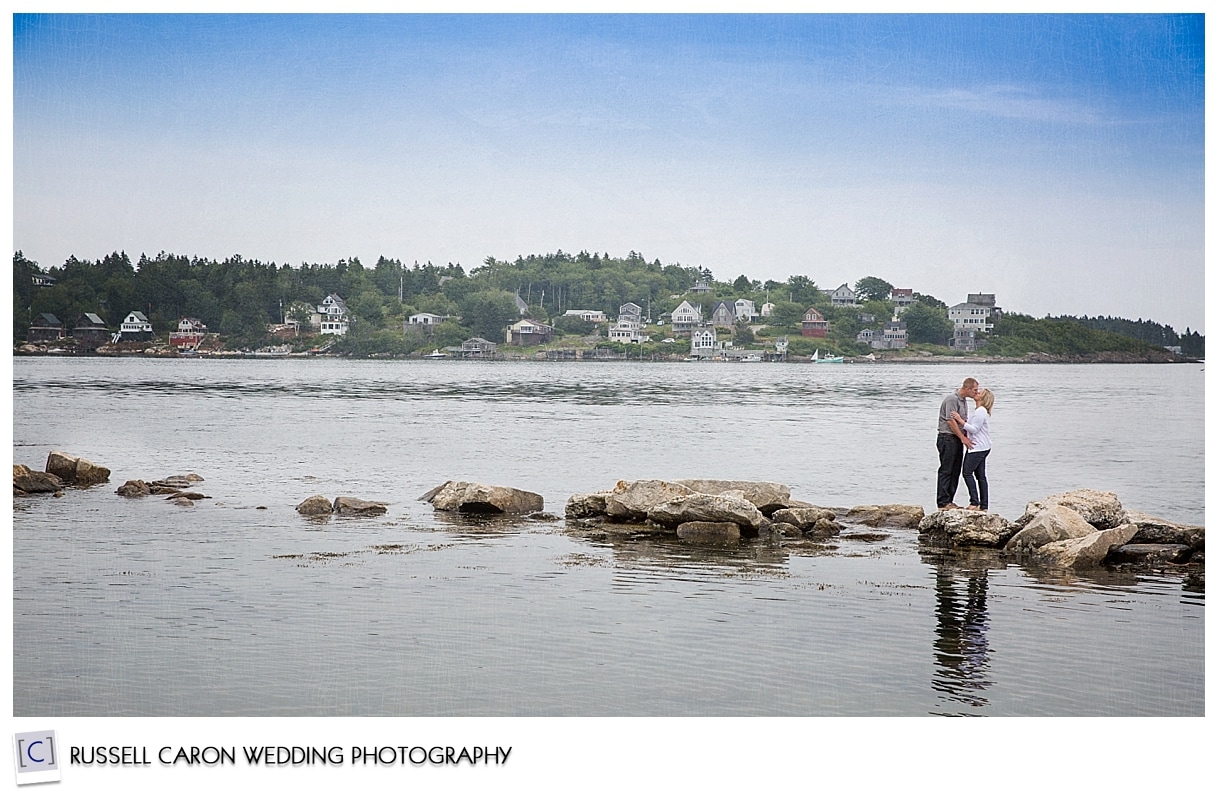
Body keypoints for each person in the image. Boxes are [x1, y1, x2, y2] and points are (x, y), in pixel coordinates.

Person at [936, 377, 979, 509]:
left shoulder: (963, 401)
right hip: (947, 437)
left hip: (956, 438)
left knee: (955, 470)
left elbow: (962, 421)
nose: (976, 393)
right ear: (967, 388)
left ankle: (950, 500)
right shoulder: (952, 399)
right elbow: (950, 420)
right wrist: (962, 438)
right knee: (946, 469)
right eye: (975, 390)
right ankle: (943, 501)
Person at [951, 388, 994, 511]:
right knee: (980, 476)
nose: (977, 393)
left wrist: (959, 420)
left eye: (980, 392)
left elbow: (974, 429)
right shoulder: (979, 411)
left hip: (977, 448)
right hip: (982, 446)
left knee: (967, 473)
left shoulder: (981, 411)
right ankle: (984, 505)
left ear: (983, 398)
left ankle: (974, 502)